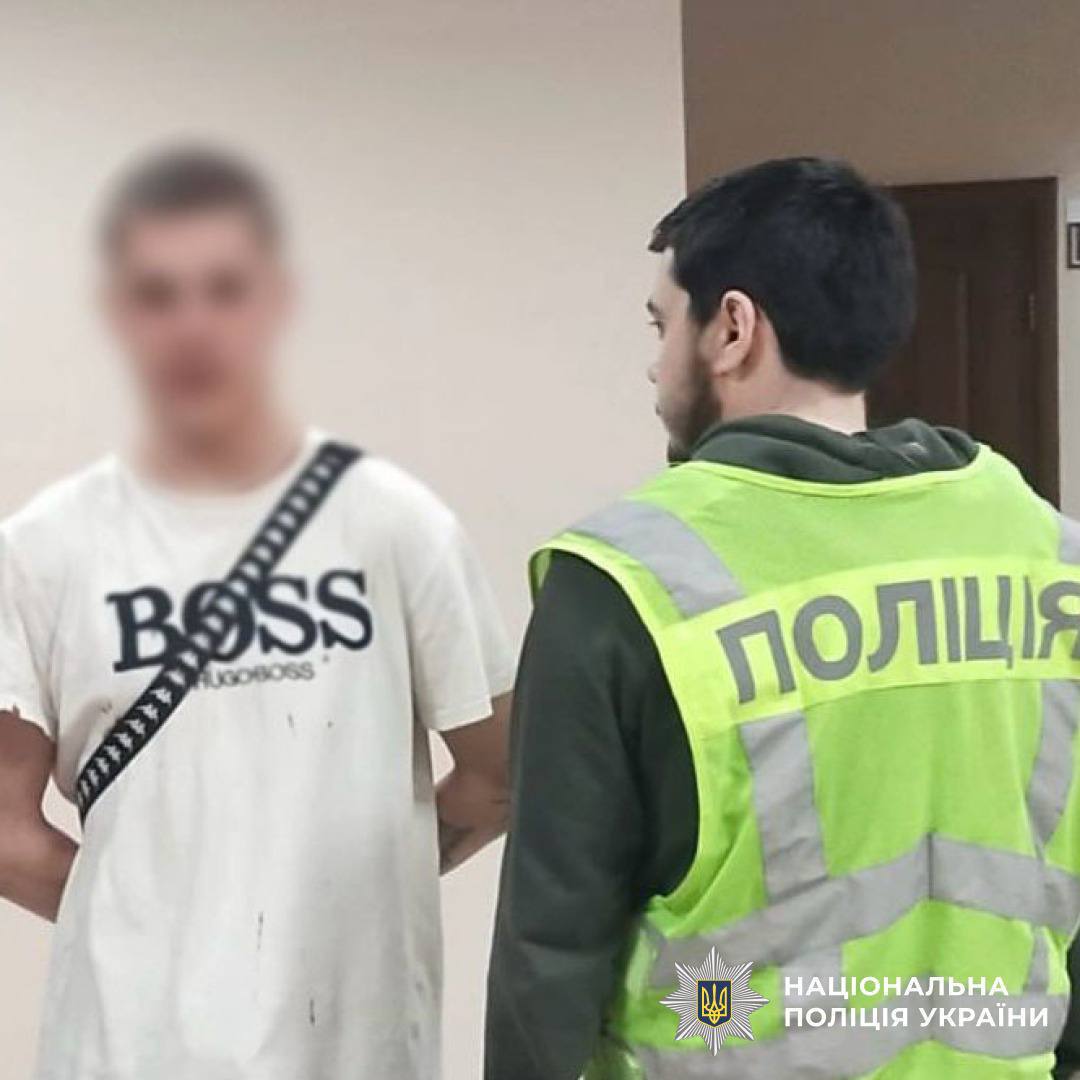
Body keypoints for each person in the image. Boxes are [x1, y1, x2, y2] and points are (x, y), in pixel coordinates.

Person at [485, 156, 1080, 1079]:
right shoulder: (1044, 552)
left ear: (732, 328)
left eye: (662, 325)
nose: (654, 364)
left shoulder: (628, 577)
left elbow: (552, 948)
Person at [0, 144, 514, 1080]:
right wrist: (172, 944)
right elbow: (3, 830)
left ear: (275, 302)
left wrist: (329, 904)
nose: (193, 325)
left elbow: (503, 770)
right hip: (121, 1055)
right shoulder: (41, 549)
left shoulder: (394, 523)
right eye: (158, 295)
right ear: (119, 316)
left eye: (225, 290)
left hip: (354, 1052)